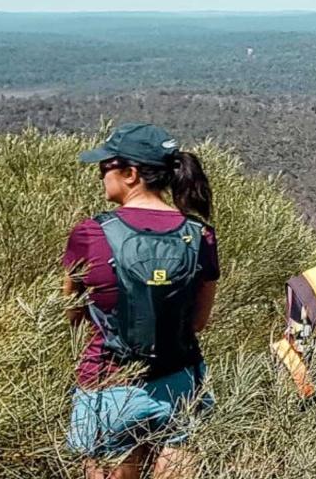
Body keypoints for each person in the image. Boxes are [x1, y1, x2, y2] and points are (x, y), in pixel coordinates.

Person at [63, 123, 219, 479]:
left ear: (130, 174)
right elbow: (198, 322)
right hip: (181, 383)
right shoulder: (200, 234)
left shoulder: (90, 234)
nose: (101, 175)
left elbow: (70, 314)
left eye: (105, 167)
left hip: (108, 384)